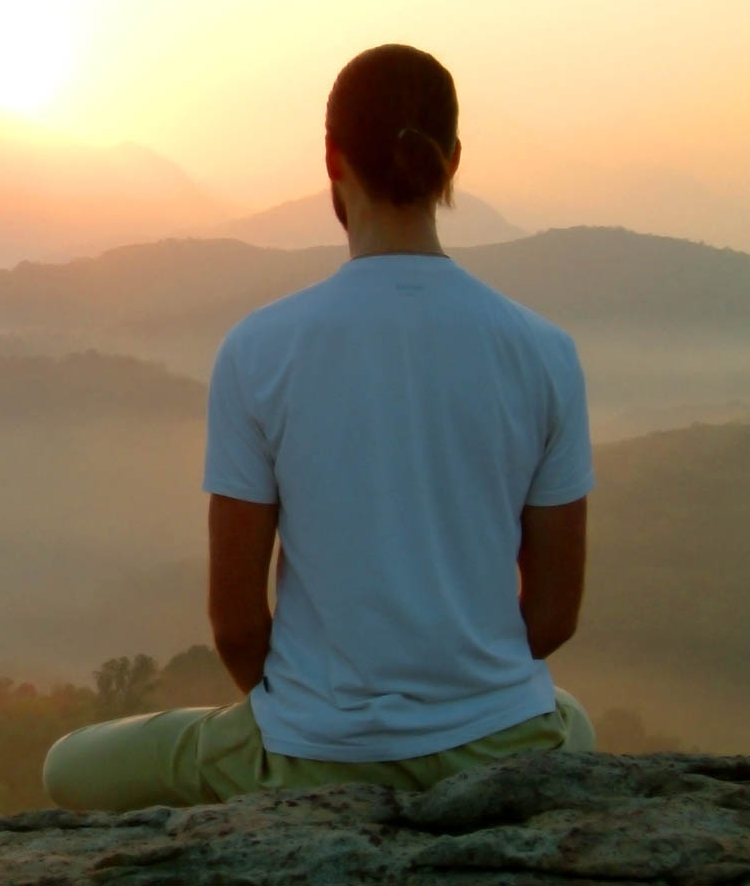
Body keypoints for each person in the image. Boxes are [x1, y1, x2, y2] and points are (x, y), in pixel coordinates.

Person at [42, 44, 595, 811]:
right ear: (454, 161)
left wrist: (314, 718)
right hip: (500, 741)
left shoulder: (261, 348)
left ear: (332, 158)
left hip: (309, 756)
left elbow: (237, 624)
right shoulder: (544, 351)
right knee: (576, 723)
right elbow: (553, 614)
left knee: (68, 765)